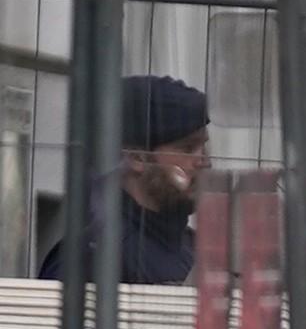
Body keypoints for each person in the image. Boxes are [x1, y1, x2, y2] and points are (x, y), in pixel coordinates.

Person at [46, 74, 212, 283]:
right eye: (188, 148)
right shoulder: (95, 255)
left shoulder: (195, 249)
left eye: (204, 147)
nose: (204, 162)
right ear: (136, 158)